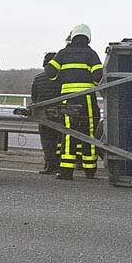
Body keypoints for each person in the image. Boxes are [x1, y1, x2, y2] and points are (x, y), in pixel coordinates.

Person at [45, 24, 103, 180]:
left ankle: (66, 171)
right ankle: (90, 170)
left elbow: (50, 71)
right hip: (87, 99)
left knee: (68, 131)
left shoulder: (63, 54)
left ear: (73, 36)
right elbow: (98, 75)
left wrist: (59, 80)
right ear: (88, 37)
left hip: (67, 99)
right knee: (89, 132)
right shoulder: (91, 54)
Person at [31, 52, 62, 175]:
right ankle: (61, 165)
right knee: (60, 140)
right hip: (59, 113)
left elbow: (34, 97)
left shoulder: (38, 78)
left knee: (47, 141)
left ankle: (49, 165)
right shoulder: (62, 78)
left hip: (43, 114)